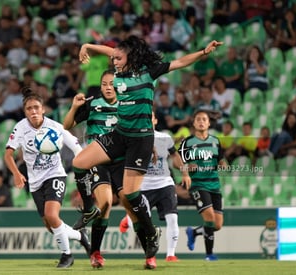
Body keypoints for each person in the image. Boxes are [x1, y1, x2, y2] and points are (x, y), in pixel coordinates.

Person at [74, 35, 223, 269]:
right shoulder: (119, 72)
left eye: (119, 58)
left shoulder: (148, 71)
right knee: (79, 162)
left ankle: (151, 234)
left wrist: (203, 52)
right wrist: (87, 46)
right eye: (114, 58)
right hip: (120, 134)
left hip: (140, 140)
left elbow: (181, 62)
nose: (114, 62)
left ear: (130, 57)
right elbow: (108, 50)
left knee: (131, 197)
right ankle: (89, 209)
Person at [4, 88, 91, 268]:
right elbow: (8, 154)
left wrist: (85, 168)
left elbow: (77, 149)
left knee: (52, 216)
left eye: (36, 107)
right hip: (35, 183)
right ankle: (80, 236)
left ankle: (67, 256)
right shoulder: (20, 128)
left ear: (43, 109)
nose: (33, 111)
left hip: (55, 175)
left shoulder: (56, 127)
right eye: (29, 109)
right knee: (51, 226)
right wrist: (16, 173)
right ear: (25, 111)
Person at [63, 70, 122, 268]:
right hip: (97, 159)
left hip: (120, 160)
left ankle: (149, 246)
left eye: (111, 84)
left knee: (125, 203)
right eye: (104, 84)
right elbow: (66, 125)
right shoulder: (93, 103)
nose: (107, 87)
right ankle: (95, 253)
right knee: (105, 203)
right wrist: (74, 107)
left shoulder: (127, 105)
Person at [119, 112, 191, 262]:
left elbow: (175, 155)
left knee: (172, 218)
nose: (147, 119)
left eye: (150, 116)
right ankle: (128, 218)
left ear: (155, 120)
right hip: (143, 186)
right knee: (141, 223)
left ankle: (170, 255)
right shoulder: (135, 139)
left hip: (165, 184)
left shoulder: (165, 137)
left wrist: (184, 173)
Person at [180, 109, 228, 261]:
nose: (201, 121)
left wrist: (223, 164)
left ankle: (193, 233)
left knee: (218, 224)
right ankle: (209, 255)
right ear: (193, 123)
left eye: (204, 119)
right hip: (199, 185)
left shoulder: (215, 141)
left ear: (208, 123)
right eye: (198, 119)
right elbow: (179, 163)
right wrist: (186, 171)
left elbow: (221, 160)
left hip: (214, 185)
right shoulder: (187, 143)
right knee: (209, 218)